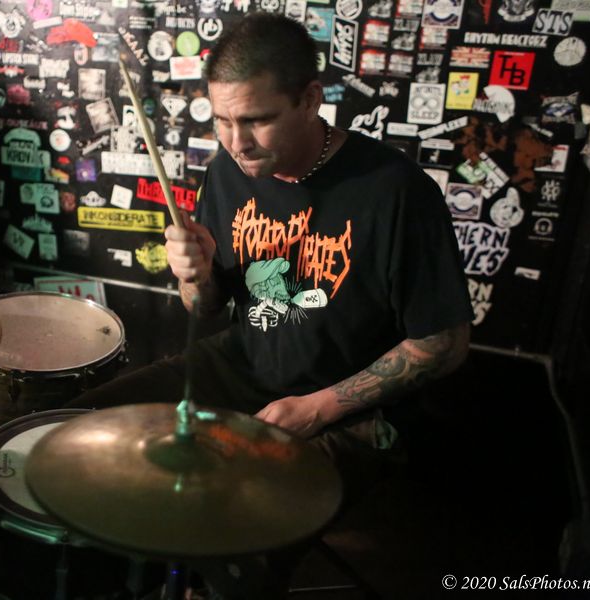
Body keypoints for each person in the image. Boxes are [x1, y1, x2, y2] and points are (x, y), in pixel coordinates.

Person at [69, 13, 472, 598]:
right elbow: (206, 307)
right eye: (222, 120)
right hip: (246, 364)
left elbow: (444, 342)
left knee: (236, 532)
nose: (237, 142)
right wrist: (193, 275)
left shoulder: (397, 192)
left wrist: (317, 408)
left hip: (356, 410)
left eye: (257, 119)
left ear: (309, 100)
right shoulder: (228, 173)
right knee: (84, 430)